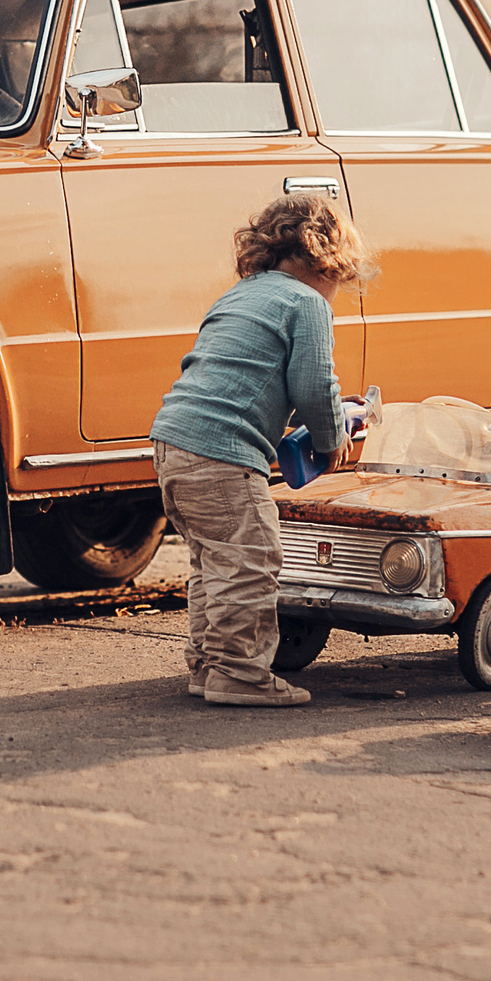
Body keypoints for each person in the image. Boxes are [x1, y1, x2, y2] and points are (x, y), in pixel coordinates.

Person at [150, 196, 368, 707]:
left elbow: (249, 379)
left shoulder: (238, 296)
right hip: (222, 456)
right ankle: (240, 674)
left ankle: (209, 665)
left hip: (172, 443)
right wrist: (332, 438)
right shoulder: (307, 303)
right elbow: (314, 385)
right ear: (325, 262)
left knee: (215, 562)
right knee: (252, 560)